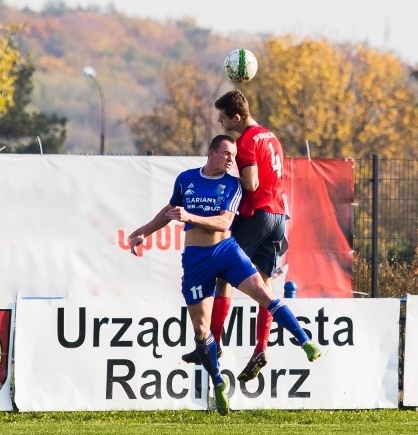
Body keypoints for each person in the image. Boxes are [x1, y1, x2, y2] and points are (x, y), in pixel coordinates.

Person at [128, 135, 320, 416]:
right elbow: (170, 212)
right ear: (212, 153)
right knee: (200, 330)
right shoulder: (185, 179)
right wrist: (144, 231)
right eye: (227, 154)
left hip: (226, 251)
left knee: (265, 294)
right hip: (195, 260)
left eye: (234, 155)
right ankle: (218, 384)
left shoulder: (232, 184)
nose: (232, 160)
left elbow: (224, 221)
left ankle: (305, 341)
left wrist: (191, 217)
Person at [182, 90, 320, 382]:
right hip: (279, 216)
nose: (221, 121)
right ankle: (260, 348)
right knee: (264, 285)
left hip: (257, 214)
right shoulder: (270, 136)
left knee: (222, 275)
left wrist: (230, 179)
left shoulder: (245, 141)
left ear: (237, 117)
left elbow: (252, 182)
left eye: (223, 116)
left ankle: (214, 344)